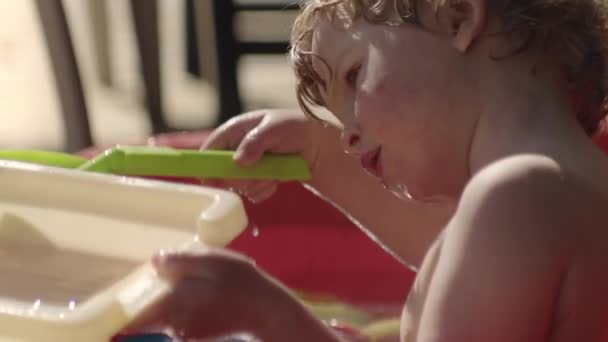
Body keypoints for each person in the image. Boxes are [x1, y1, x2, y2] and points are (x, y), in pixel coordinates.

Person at [123, 0, 608, 340]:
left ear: (459, 15)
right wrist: (315, 154)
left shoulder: (514, 200)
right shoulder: (569, 193)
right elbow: (445, 250)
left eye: (355, 76)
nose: (348, 135)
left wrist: (268, 316)